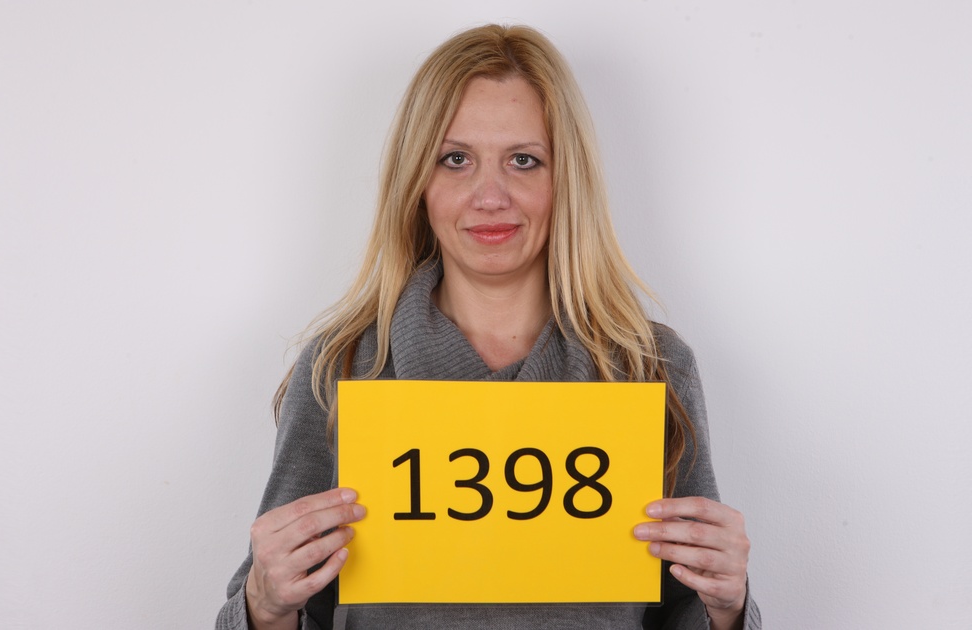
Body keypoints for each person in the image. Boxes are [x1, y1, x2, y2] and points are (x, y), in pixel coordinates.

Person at [217, 24, 760, 630]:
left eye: (524, 161)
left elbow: (686, 609)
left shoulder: (650, 366)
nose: (491, 196)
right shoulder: (342, 367)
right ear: (418, 181)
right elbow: (291, 606)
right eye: (456, 160)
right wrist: (264, 605)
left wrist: (728, 606)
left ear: (566, 179)